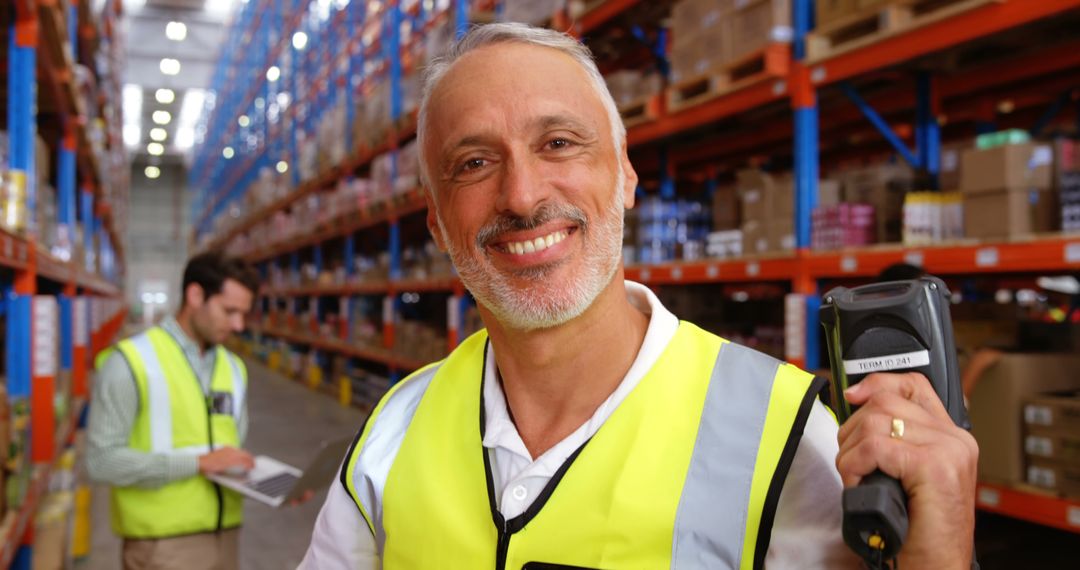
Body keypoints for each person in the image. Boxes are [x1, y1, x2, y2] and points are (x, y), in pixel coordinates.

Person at [301, 23, 977, 569]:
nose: (523, 195)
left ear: (624, 176)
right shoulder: (394, 431)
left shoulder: (794, 440)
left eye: (559, 143)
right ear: (437, 225)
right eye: (474, 163)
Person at [87, 252, 260, 570]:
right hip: (163, 546)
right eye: (229, 311)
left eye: (243, 314)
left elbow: (226, 449)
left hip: (226, 536)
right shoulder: (130, 362)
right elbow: (101, 462)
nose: (239, 325)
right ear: (195, 295)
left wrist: (269, 484)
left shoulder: (233, 368)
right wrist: (197, 464)